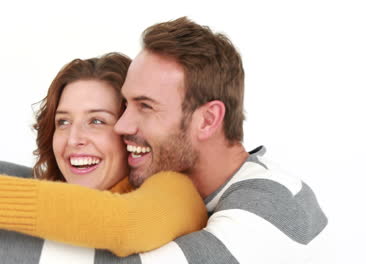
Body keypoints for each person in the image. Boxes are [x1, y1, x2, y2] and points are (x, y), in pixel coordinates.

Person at [2, 17, 327, 263]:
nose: (123, 125)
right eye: (62, 121)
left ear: (209, 119)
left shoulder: (266, 205)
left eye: (144, 107)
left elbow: (122, 228)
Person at [0, 53, 207, 262]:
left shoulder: (176, 187)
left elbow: (126, 224)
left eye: (97, 121)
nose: (73, 139)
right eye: (63, 122)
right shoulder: (45, 189)